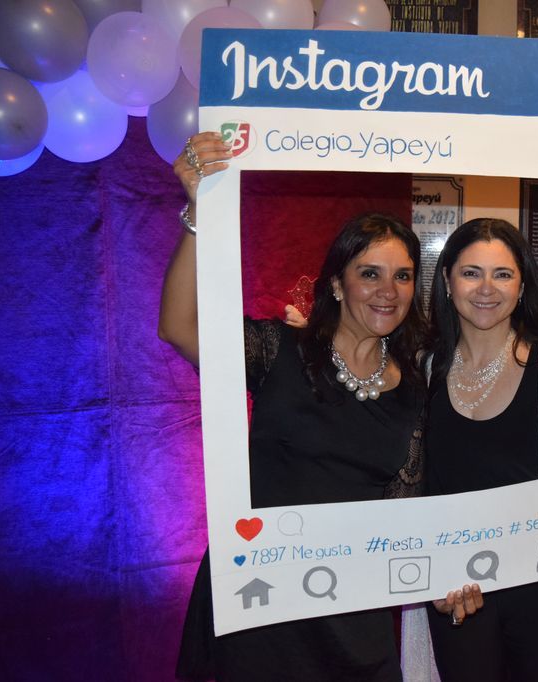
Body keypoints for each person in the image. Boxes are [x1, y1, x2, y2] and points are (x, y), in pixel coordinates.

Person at [160, 132, 480, 682]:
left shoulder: (417, 391)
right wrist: (197, 213)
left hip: (352, 616)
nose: (388, 290)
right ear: (336, 284)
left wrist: (447, 573)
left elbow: (410, 511)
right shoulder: (278, 351)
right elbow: (179, 326)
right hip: (258, 605)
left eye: (402, 275)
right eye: (370, 273)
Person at [400, 218, 538, 682]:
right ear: (447, 282)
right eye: (471, 273)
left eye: (502, 274)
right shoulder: (421, 370)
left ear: (521, 287)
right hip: (455, 592)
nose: (487, 288)